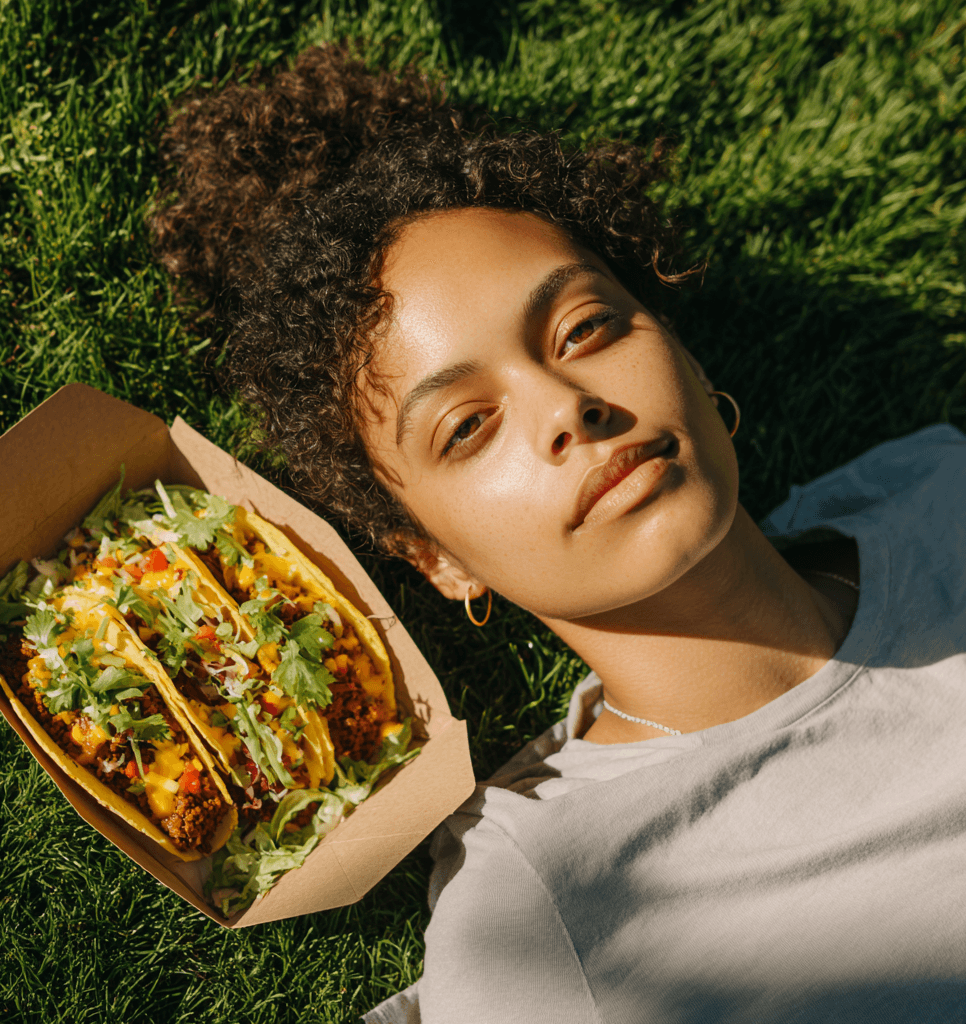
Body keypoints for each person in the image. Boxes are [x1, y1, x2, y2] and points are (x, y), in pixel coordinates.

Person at [150, 45, 966, 1023]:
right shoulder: (546, 905)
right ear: (433, 557)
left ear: (682, 351)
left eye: (582, 330)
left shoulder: (934, 481)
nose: (567, 408)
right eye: (466, 426)